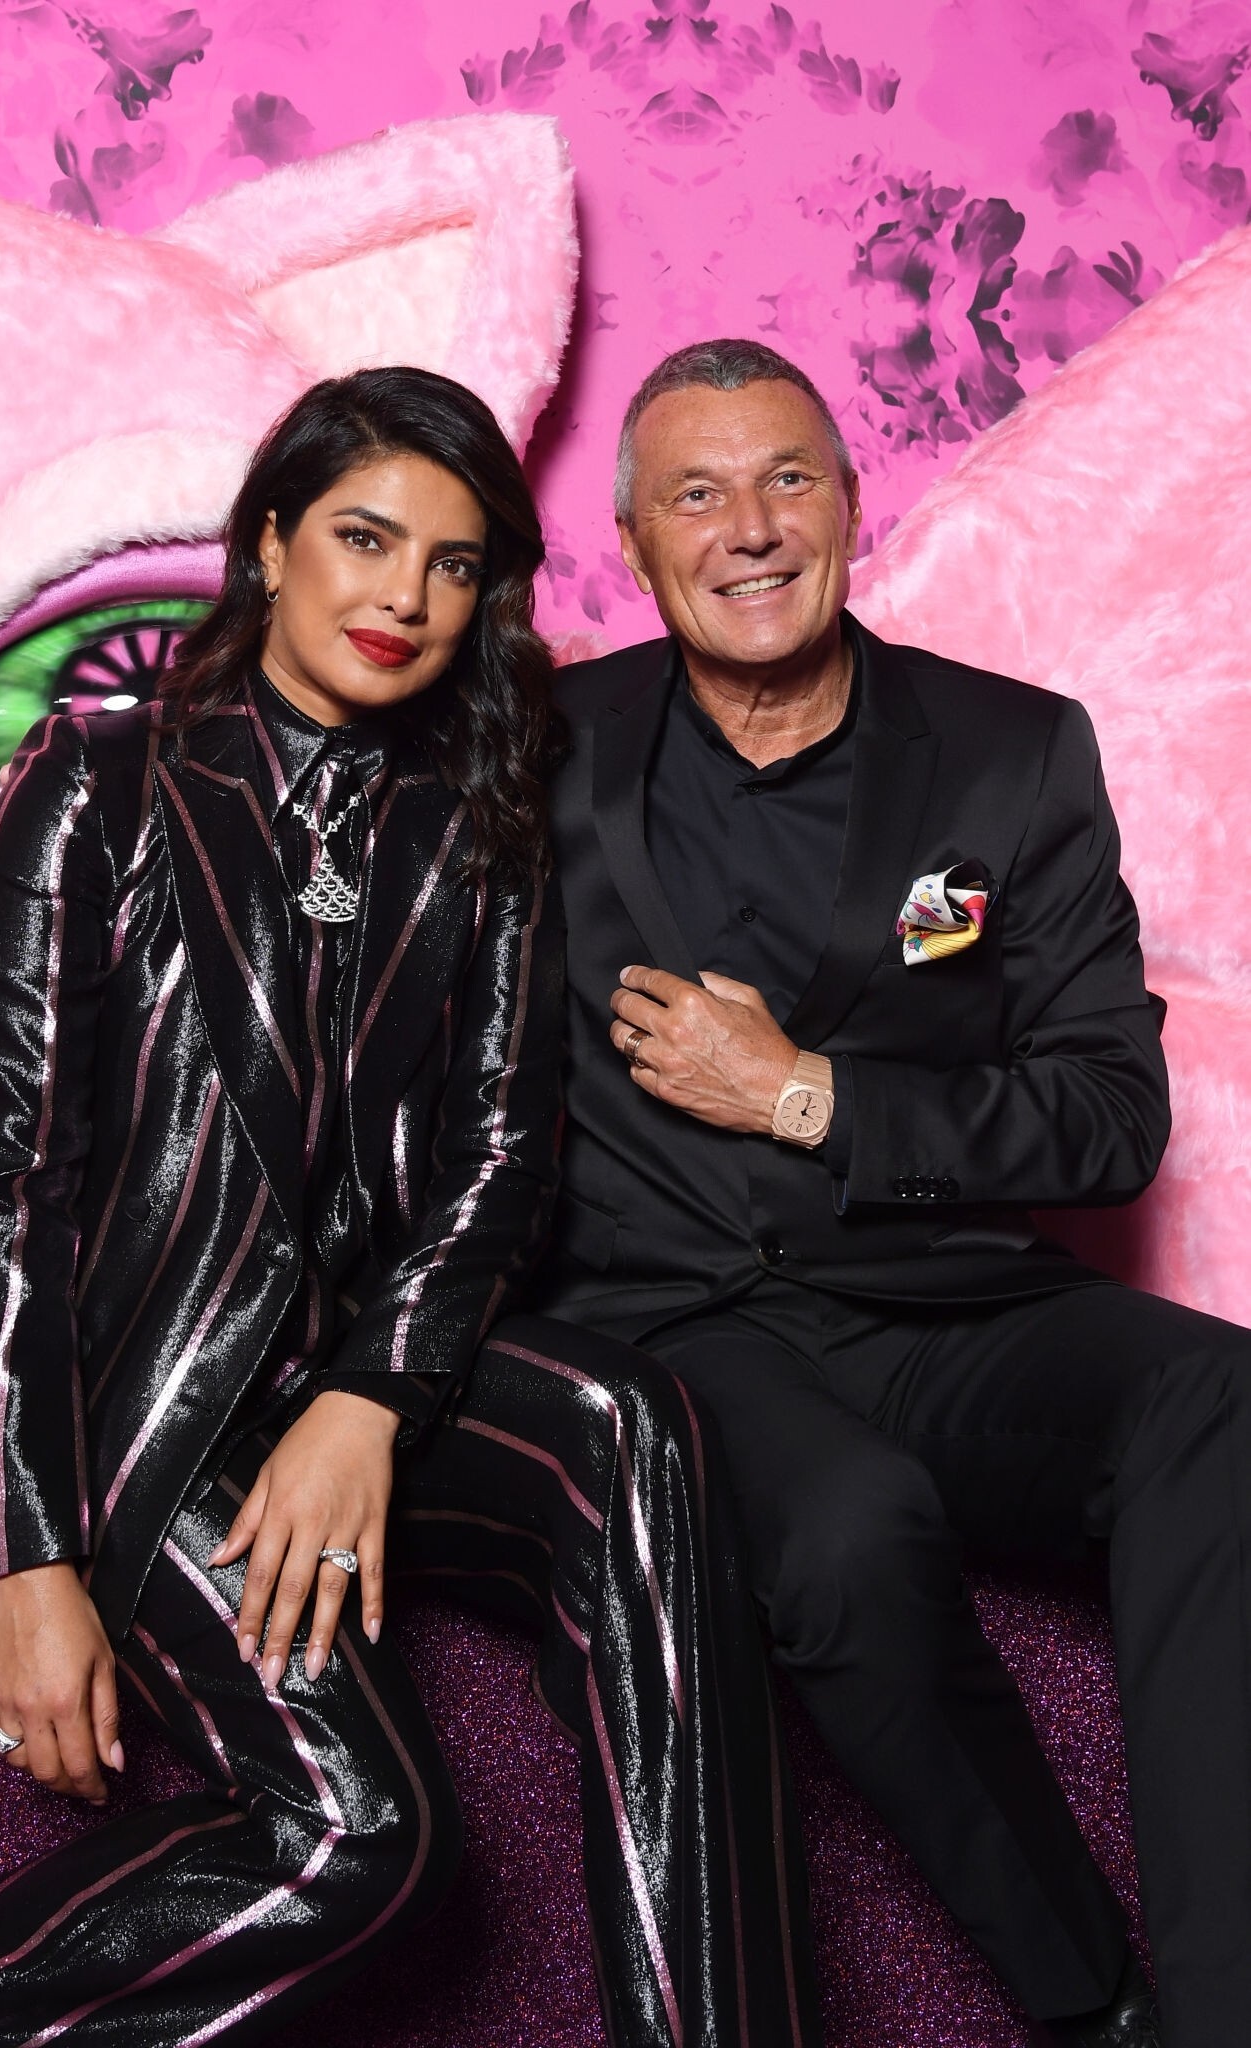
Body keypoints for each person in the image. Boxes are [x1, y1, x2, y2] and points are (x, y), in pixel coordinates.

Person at [0, 369, 818, 2048]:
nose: (405, 596)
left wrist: (371, 1394)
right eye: (364, 539)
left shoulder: (475, 817)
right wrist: (29, 1560)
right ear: (269, 543)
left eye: (453, 564)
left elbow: (500, 1154)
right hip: (134, 1398)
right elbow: (10, 1174)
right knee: (360, 1840)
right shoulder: (97, 778)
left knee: (630, 1422)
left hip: (352, 1373)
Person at [537, 337, 1251, 2048]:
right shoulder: (531, 750)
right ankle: (1095, 2003)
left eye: (788, 478)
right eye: (696, 495)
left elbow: (1108, 1117)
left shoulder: (1011, 756)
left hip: (943, 1305)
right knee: (851, 1534)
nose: (750, 528)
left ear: (853, 506)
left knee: (1220, 1400)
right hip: (680, 1328)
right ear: (632, 545)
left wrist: (805, 1094)